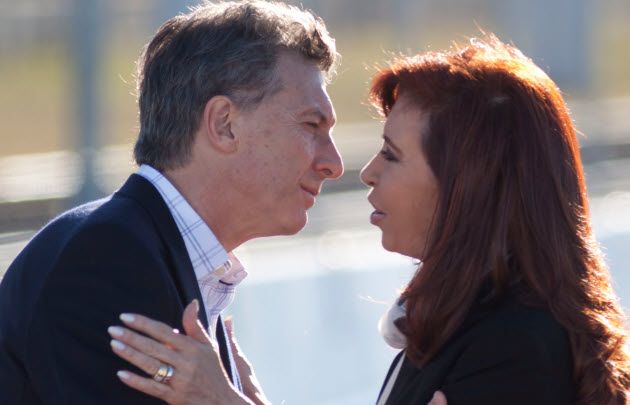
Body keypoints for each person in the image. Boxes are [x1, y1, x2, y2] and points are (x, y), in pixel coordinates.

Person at [108, 34, 630, 404]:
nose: (366, 172)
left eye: (392, 155)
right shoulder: (471, 320)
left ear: (467, 185)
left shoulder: (515, 346)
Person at [0, 1, 343, 403]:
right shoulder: (110, 258)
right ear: (224, 125)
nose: (333, 164)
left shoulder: (144, 247)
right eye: (311, 125)